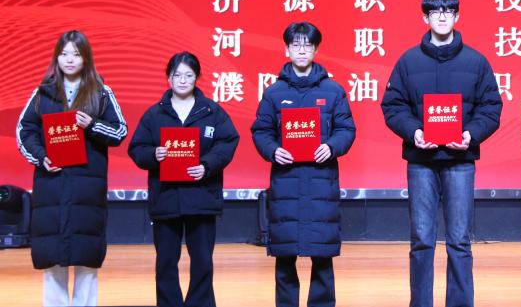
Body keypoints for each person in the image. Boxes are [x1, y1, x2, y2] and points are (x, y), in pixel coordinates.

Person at [380, 0, 503, 307]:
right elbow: (393, 106)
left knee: (459, 241)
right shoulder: (408, 61)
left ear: (457, 16)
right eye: (435, 11)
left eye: (448, 11)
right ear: (426, 18)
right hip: (421, 160)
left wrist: (470, 135)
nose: (442, 16)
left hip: (460, 160)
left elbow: (491, 107)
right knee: (421, 240)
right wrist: (414, 132)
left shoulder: (476, 61)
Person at [15, 29, 128, 307]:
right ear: (56, 57)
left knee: (86, 259)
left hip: (86, 189)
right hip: (51, 186)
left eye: (76, 54)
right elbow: (24, 131)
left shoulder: (101, 92)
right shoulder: (42, 93)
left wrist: (92, 124)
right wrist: (41, 157)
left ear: (85, 58)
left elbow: (119, 131)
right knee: (52, 258)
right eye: (64, 54)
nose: (69, 60)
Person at [251, 22, 357, 307]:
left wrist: (331, 146)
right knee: (285, 257)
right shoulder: (274, 93)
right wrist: (273, 150)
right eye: (295, 45)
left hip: (321, 182)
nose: (301, 50)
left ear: (316, 49)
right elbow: (261, 131)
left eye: (307, 45)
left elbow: (346, 129)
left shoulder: (333, 91)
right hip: (286, 182)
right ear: (286, 49)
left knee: (322, 256)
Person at [128, 51, 240, 307]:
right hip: (166, 198)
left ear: (197, 78)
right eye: (177, 75)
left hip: (202, 197)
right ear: (168, 78)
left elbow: (228, 141)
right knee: (166, 262)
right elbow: (137, 148)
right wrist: (154, 155)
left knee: (202, 261)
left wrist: (206, 165)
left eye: (188, 75)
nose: (182, 80)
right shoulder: (154, 114)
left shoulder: (211, 111)